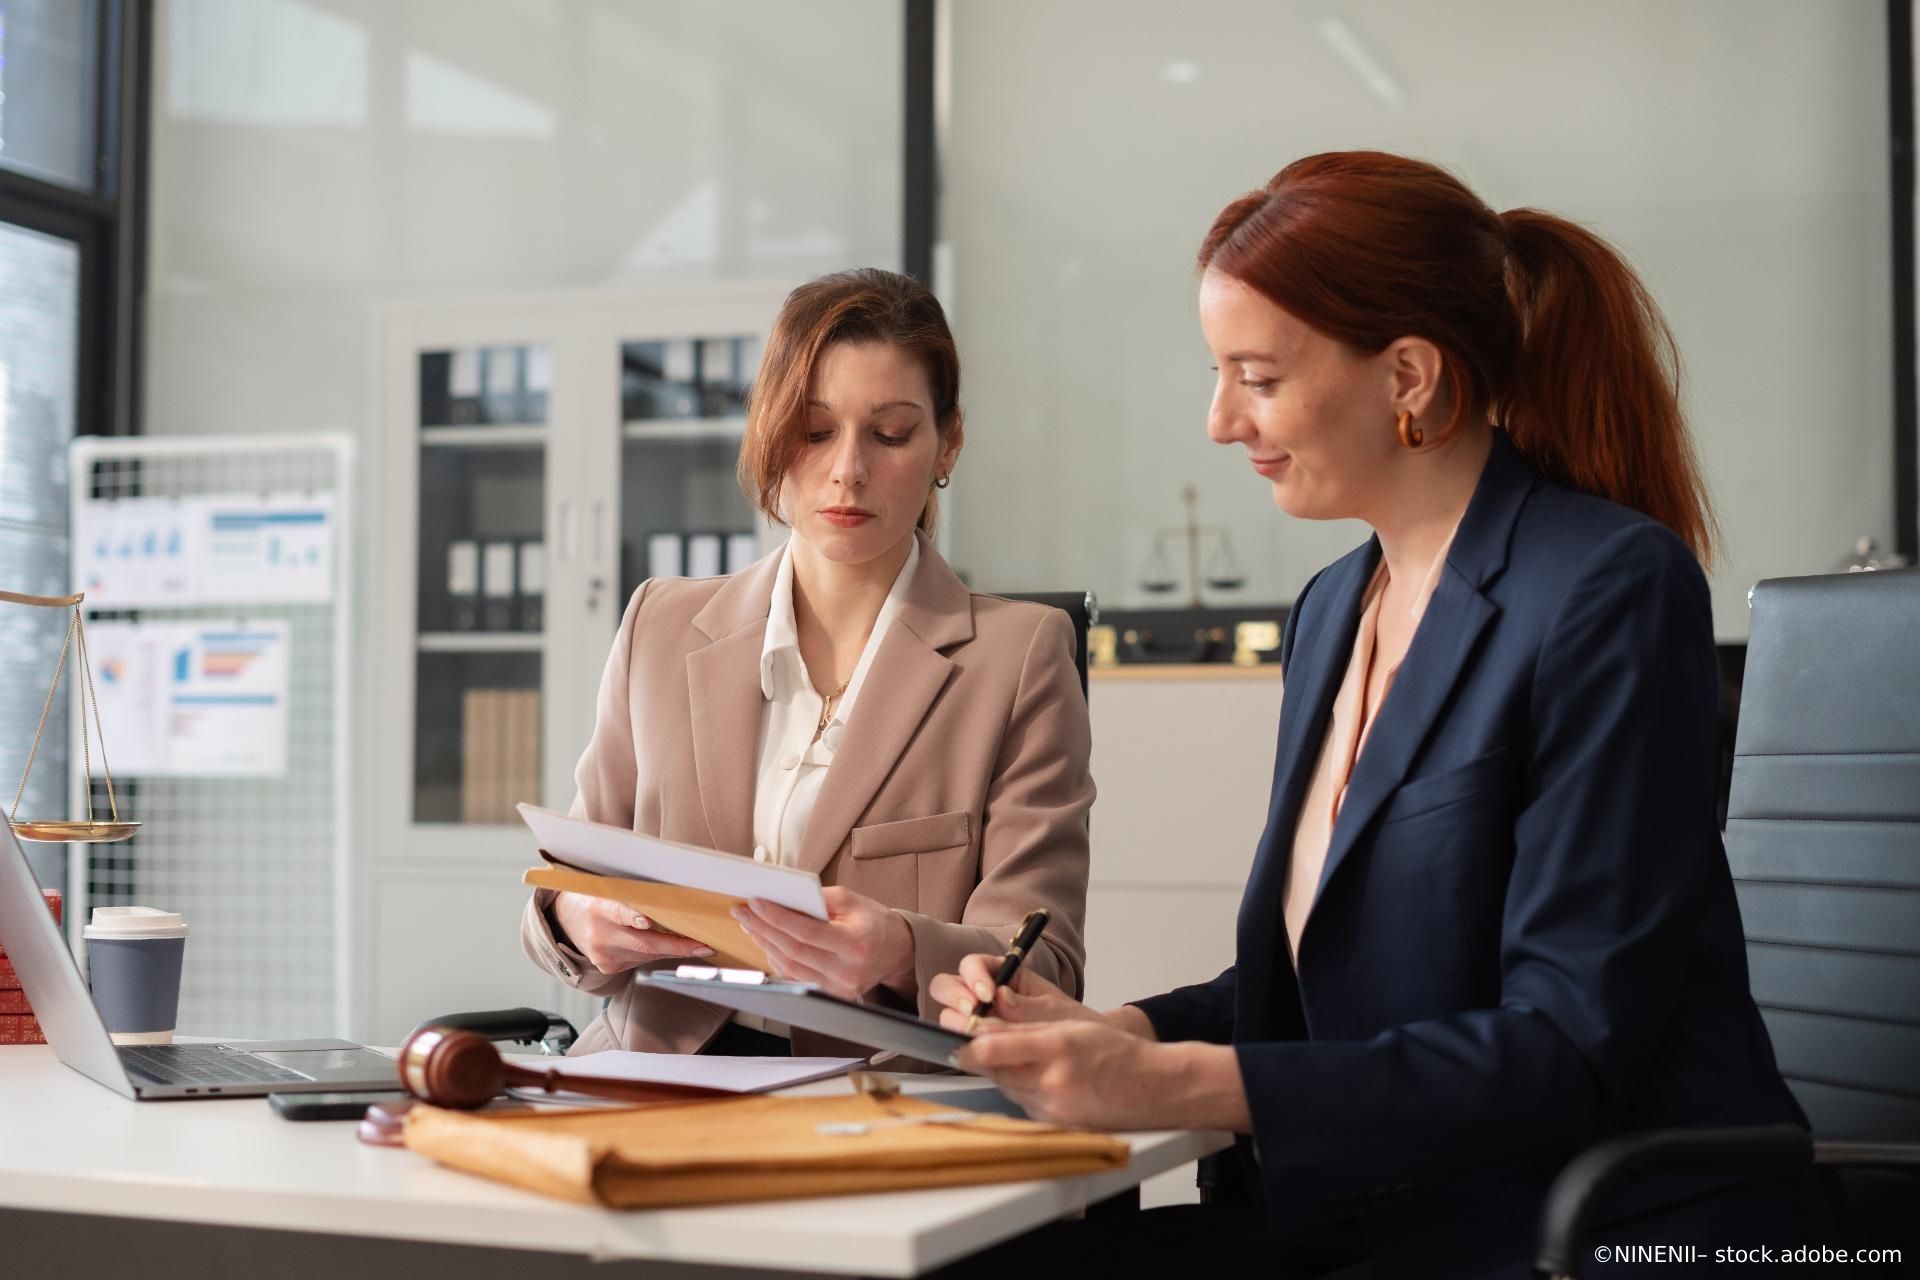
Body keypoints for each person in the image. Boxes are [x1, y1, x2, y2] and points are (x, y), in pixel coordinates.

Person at [930, 153, 1838, 1275]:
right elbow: (1339, 982)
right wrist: (1132, 1031)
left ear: (1406, 374)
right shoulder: (1329, 611)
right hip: (1375, 1206)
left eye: (1255, 376)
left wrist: (1174, 1083)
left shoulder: (1606, 586)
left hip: (1580, 1224)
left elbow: (1567, 1040)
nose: (1220, 421)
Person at [524, 267, 1093, 1059]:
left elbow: (1048, 967)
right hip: (649, 1079)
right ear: (768, 429)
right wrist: (577, 920)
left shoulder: (1017, 656)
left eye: (890, 434)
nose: (847, 470)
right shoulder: (661, 624)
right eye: (816, 431)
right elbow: (566, 882)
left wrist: (899, 951)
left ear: (946, 443)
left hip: (877, 1099)